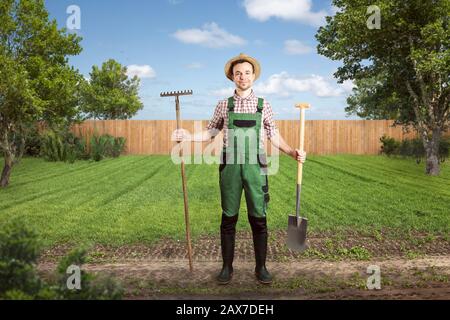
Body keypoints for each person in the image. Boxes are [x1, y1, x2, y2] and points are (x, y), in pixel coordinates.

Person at [175, 53, 306, 284]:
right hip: (230, 167)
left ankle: (261, 268)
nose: (242, 77)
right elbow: (210, 132)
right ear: (232, 77)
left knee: (259, 218)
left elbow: (273, 134)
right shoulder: (223, 105)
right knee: (229, 218)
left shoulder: (263, 105)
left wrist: (291, 151)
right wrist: (187, 137)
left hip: (256, 167)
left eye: (247, 72)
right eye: (238, 73)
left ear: (253, 76)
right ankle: (227, 268)